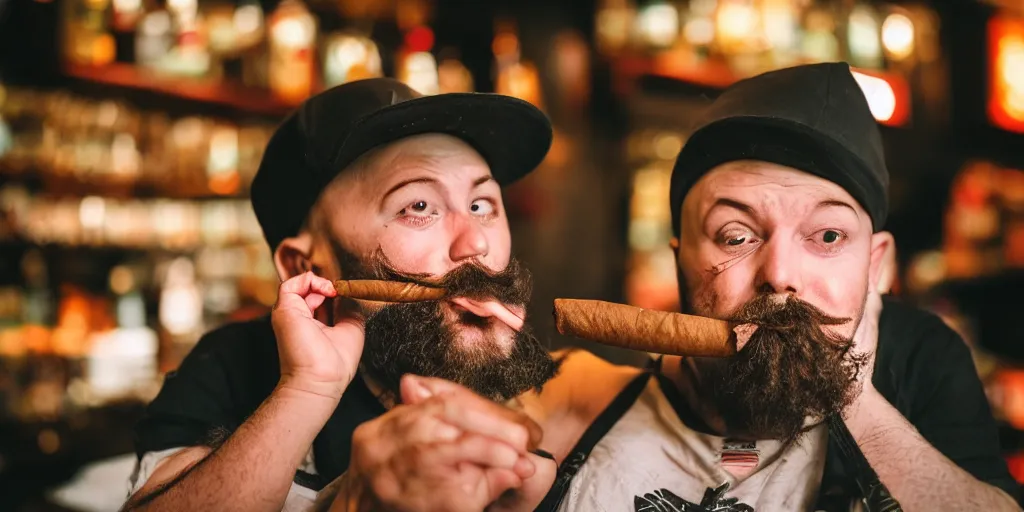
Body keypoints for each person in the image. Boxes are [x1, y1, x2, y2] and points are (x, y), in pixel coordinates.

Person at [326, 63, 1021, 512]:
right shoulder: (575, 398)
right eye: (735, 236)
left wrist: (853, 396)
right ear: (680, 261)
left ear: (878, 265)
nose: (779, 273)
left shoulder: (916, 364)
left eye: (828, 236)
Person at [121, 77, 565, 511]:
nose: (476, 245)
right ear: (306, 267)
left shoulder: (556, 384)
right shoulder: (232, 365)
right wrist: (308, 388)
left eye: (480, 205)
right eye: (419, 207)